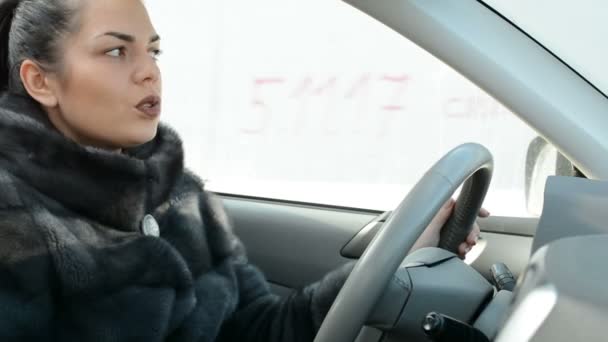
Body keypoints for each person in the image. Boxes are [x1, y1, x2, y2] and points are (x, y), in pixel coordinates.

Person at [0, 0, 483, 341]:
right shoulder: (14, 218)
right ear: (41, 81)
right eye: (115, 51)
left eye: (154, 50)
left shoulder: (180, 198)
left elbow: (263, 327)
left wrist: (394, 263)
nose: (149, 71)